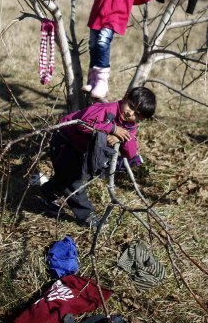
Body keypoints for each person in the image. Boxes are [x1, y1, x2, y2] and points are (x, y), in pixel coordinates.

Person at [40, 87, 157, 227]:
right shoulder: (106, 109)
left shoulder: (129, 126)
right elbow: (83, 124)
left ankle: (47, 195)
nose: (130, 114)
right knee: (73, 180)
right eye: (131, 106)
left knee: (69, 175)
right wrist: (112, 129)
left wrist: (121, 138)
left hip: (81, 148)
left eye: (137, 115)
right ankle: (86, 216)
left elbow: (130, 153)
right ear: (125, 97)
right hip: (65, 139)